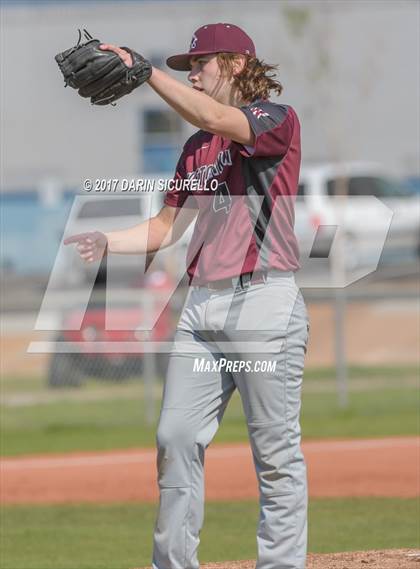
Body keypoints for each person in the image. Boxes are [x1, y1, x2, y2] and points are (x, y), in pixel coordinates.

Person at [65, 23, 310, 569]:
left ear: (238, 66)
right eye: (186, 67)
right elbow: (164, 228)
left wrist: (148, 70)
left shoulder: (275, 119)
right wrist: (107, 240)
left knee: (274, 454)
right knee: (174, 437)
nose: (192, 75)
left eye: (200, 64)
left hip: (263, 301)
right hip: (202, 306)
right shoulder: (197, 149)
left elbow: (217, 117)